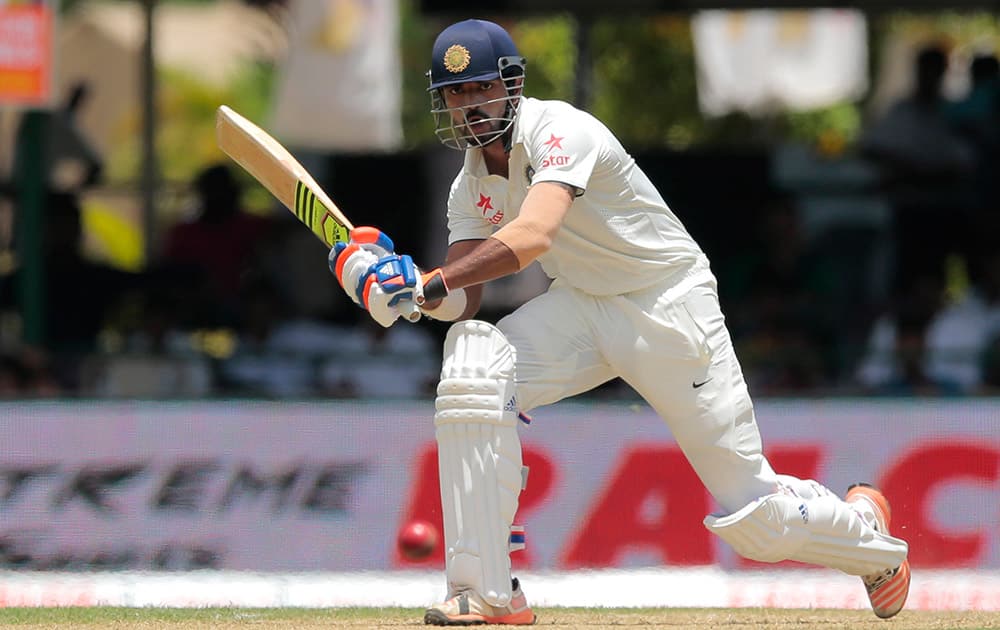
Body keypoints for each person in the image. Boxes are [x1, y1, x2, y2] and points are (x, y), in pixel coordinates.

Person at [328, 19, 910, 625]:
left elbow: (532, 235)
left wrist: (430, 282)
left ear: (511, 84)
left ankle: (870, 539)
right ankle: (488, 592)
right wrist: (398, 290)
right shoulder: (468, 184)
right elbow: (459, 299)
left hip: (666, 306)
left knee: (754, 520)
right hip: (583, 307)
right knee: (472, 361)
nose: (469, 107)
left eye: (480, 89)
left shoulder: (561, 130)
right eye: (455, 95)